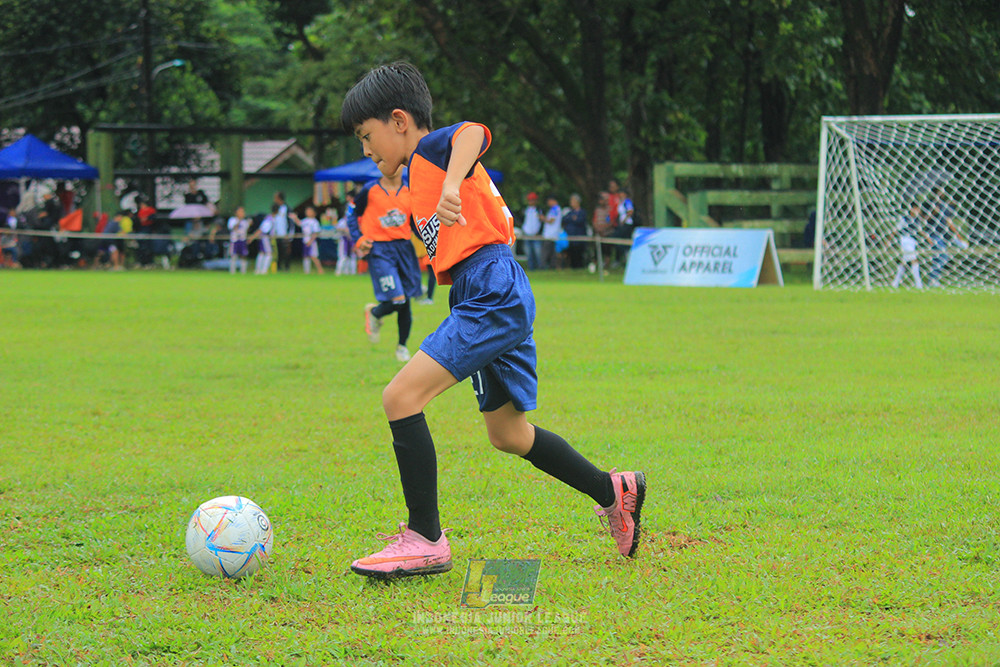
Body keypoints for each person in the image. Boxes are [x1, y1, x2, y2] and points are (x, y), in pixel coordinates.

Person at [340, 61, 645, 580]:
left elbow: (473, 133)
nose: (366, 151)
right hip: (482, 290)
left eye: (367, 137)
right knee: (508, 433)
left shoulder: (430, 151)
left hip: (492, 289)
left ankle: (426, 538)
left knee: (399, 397)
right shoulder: (413, 179)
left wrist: (453, 184)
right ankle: (613, 490)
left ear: (398, 121)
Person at [346, 164, 422, 362]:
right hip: (379, 249)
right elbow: (351, 213)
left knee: (405, 300)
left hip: (404, 249)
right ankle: (374, 312)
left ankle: (402, 347)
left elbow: (415, 223)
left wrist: (432, 240)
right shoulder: (369, 189)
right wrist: (359, 239)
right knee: (398, 299)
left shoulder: (409, 191)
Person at [921, 186, 969, 287]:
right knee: (942, 256)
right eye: (940, 191)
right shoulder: (927, 204)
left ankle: (934, 279)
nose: (942, 193)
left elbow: (949, 221)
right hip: (933, 234)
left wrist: (959, 236)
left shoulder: (944, 205)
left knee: (943, 255)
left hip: (945, 235)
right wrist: (933, 212)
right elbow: (923, 220)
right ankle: (933, 279)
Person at [891, 203, 931, 289]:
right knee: (914, 260)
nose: (918, 211)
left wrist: (928, 239)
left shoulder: (917, 220)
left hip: (912, 241)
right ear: (912, 209)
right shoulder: (904, 219)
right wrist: (889, 240)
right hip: (905, 240)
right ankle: (918, 284)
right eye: (917, 209)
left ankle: (895, 283)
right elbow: (895, 230)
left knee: (904, 262)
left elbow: (920, 231)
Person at [561, 193, 588, 269]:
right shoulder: (570, 213)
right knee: (571, 255)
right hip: (570, 238)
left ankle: (580, 268)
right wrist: (573, 219)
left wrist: (574, 219)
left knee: (579, 255)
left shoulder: (582, 212)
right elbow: (565, 219)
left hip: (579, 238)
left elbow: (580, 221)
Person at [248, 205, 276, 274]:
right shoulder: (269, 219)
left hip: (264, 238)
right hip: (265, 238)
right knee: (268, 253)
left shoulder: (268, 218)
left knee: (262, 253)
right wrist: (253, 237)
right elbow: (261, 229)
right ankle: (263, 270)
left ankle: (258, 269)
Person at [299, 206, 324, 274]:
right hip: (305, 241)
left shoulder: (314, 222)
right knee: (306, 256)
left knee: (314, 256)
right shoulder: (305, 220)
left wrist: (311, 241)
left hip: (312, 242)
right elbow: (299, 223)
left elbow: (315, 233)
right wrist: (294, 217)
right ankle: (307, 271)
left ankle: (320, 270)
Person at [520, 192, 542, 270]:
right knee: (528, 253)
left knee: (538, 253)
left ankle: (539, 268)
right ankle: (531, 268)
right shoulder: (525, 210)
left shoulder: (539, 210)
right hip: (527, 234)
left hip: (535, 234)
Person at [541, 193, 562, 270]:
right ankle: (552, 266)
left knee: (546, 252)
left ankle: (543, 267)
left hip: (550, 235)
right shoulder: (556, 209)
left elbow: (551, 220)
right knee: (552, 253)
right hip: (553, 235)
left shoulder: (555, 209)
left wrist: (543, 218)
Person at [227, 206, 251, 274]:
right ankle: (232, 271)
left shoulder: (245, 221)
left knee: (243, 255)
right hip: (234, 240)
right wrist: (239, 221)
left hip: (242, 240)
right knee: (233, 255)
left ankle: (243, 271)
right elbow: (233, 228)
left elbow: (246, 230)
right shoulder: (232, 220)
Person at [273, 192, 292, 271]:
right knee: (278, 251)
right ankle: (278, 267)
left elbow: (290, 222)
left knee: (286, 251)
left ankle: (287, 267)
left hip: (285, 234)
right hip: (277, 234)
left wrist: (289, 233)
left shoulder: (287, 208)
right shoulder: (275, 207)